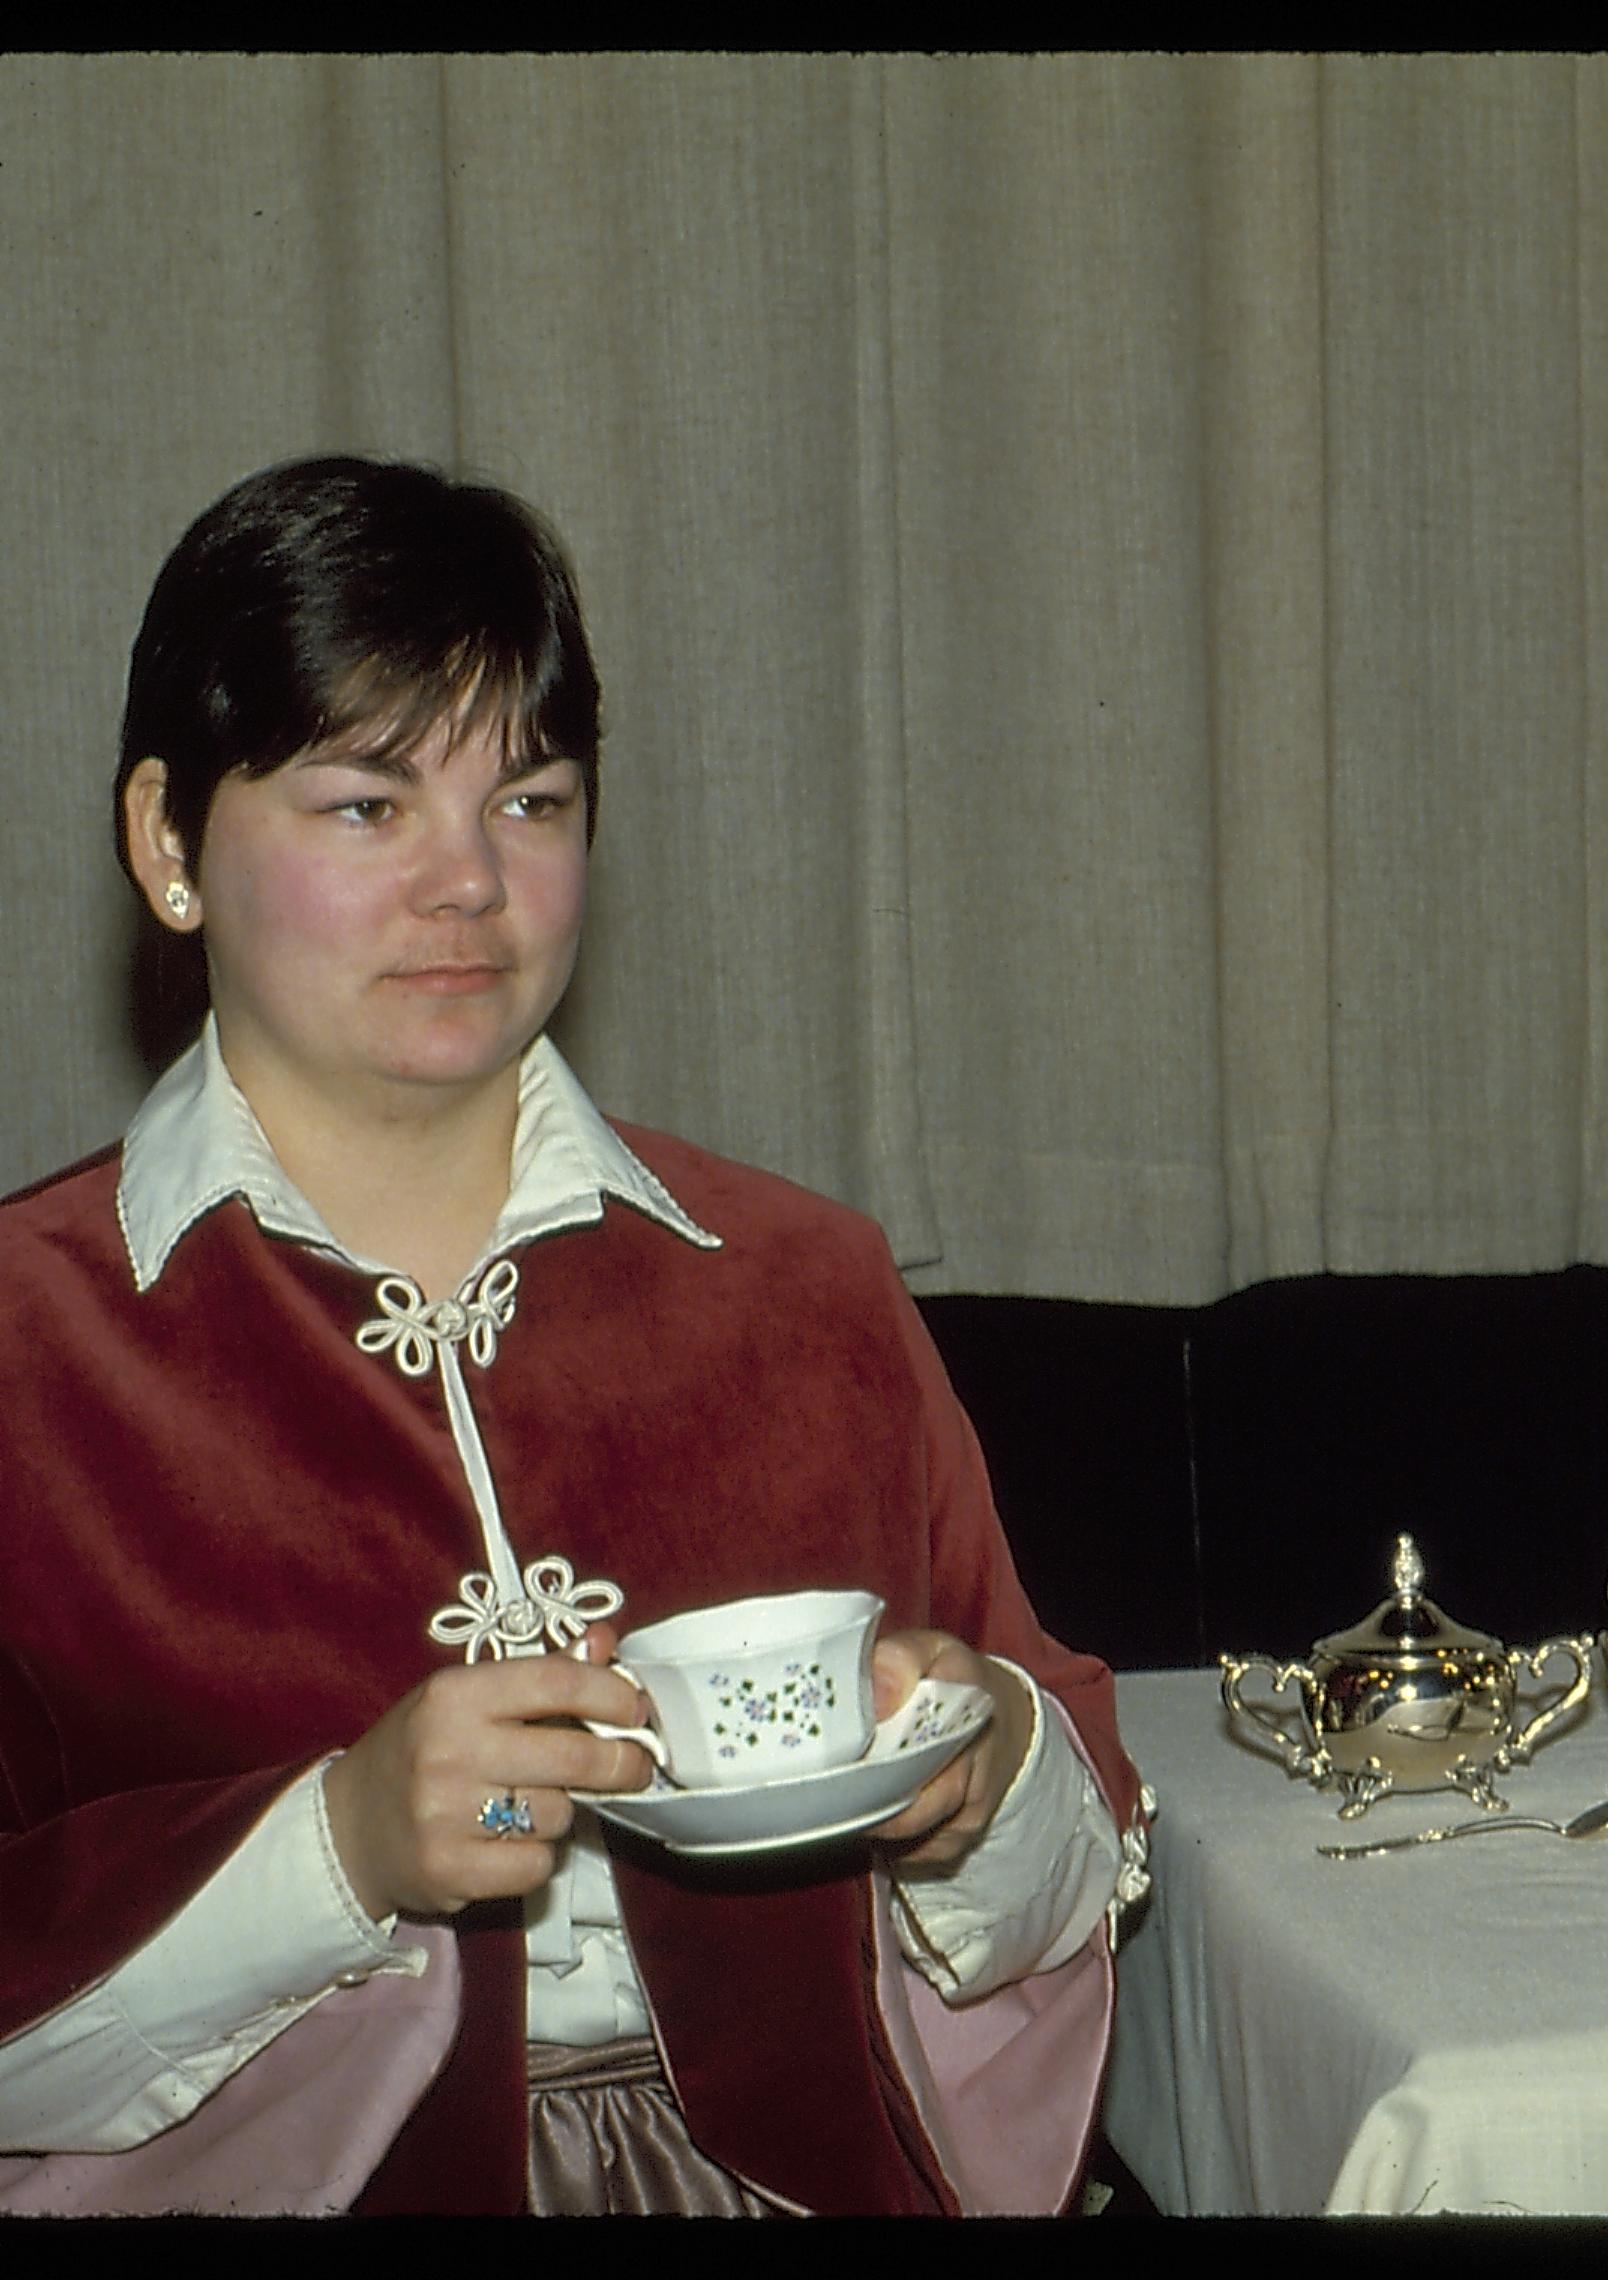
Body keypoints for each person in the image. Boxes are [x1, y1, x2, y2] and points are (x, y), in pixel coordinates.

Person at [0, 456, 1150, 2215]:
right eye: (368, 806)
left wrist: (986, 1777)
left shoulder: (803, 1284)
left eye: (530, 801)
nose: (469, 883)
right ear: (166, 841)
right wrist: (337, 1847)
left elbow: (1084, 1827)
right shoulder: (33, 1348)